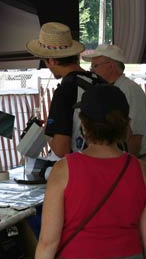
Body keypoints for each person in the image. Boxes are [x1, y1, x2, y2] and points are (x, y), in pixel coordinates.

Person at [36, 85, 146, 259]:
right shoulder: (141, 170)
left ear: (83, 125)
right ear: (126, 124)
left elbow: (48, 242)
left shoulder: (63, 170)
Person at [26, 22, 105, 159]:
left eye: (45, 62)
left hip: (84, 170)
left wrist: (46, 132)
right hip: (113, 166)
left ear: (52, 60)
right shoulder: (101, 82)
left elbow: (61, 149)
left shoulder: (64, 92)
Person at [82, 44, 146, 162]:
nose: (92, 70)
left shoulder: (129, 89)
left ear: (110, 66)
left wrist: (127, 164)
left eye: (95, 66)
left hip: (128, 162)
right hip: (120, 161)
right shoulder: (115, 88)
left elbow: (136, 135)